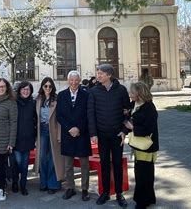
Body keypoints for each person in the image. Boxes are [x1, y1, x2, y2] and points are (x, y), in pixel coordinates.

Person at [88, 64, 130, 207]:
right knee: (104, 164)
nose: (98, 76)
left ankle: (119, 193)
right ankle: (105, 192)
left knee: (117, 163)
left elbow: (128, 113)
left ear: (109, 75)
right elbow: (91, 114)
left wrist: (124, 131)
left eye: (101, 73)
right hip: (102, 135)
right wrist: (93, 133)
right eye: (98, 73)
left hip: (117, 135)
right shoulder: (93, 91)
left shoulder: (121, 90)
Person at [56, 71, 92, 202]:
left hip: (82, 134)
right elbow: (59, 115)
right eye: (71, 80)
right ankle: (70, 188)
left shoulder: (86, 95)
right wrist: (69, 128)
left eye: (76, 80)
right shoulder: (61, 95)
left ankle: (84, 189)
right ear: (68, 80)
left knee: (84, 164)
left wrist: (79, 128)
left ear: (80, 80)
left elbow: (88, 114)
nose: (74, 82)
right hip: (68, 134)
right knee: (68, 165)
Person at [123, 82, 159, 209]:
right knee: (140, 173)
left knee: (145, 174)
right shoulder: (134, 104)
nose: (130, 95)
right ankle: (147, 198)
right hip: (138, 145)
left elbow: (149, 128)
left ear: (139, 93)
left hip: (147, 146)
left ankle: (142, 201)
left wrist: (132, 127)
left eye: (132, 93)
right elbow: (129, 117)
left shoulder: (149, 107)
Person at [35, 77, 65, 194]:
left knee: (53, 159)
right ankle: (43, 183)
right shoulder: (38, 100)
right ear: (42, 87)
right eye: (45, 86)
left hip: (53, 131)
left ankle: (53, 184)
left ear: (53, 88)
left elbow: (60, 119)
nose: (48, 88)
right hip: (42, 131)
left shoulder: (57, 100)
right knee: (42, 157)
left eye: (50, 86)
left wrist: (59, 135)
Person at [13, 81, 37, 195]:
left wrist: (36, 136)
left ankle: (23, 185)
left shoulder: (33, 103)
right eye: (23, 89)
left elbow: (36, 120)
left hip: (28, 137)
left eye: (28, 89)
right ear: (19, 90)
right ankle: (14, 181)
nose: (25, 91)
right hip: (16, 138)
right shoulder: (14, 103)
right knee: (18, 162)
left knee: (25, 163)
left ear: (30, 91)